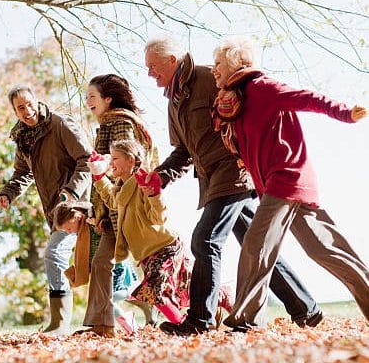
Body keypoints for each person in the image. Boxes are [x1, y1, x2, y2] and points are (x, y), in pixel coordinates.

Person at [143, 37, 322, 336]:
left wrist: (259, 157)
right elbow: (183, 152)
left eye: (152, 66)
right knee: (257, 248)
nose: (149, 74)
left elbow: (252, 108)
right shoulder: (172, 100)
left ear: (172, 60)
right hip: (212, 181)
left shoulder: (209, 79)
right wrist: (160, 176)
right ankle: (305, 309)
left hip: (234, 173)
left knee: (205, 238)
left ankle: (200, 320)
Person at [211, 37, 369, 332]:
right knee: (324, 249)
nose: (214, 69)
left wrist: (345, 113)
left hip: (287, 178)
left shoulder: (263, 88)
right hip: (280, 184)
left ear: (236, 62)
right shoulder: (237, 100)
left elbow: (308, 98)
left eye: (218, 63)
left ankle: (246, 319)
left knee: (256, 245)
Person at [0, 85, 92, 335]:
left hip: (77, 205)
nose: (27, 111)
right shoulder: (22, 139)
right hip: (54, 210)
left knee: (54, 253)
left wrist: (72, 191)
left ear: (37, 100)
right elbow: (22, 173)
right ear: (15, 112)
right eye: (20, 108)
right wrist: (8, 193)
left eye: (29, 104)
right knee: (94, 263)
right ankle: (126, 313)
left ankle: (60, 322)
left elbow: (86, 159)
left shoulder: (60, 124)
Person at [80, 74, 158, 337]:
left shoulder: (121, 124)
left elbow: (126, 162)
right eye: (86, 97)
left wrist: (102, 167)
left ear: (108, 99)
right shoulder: (106, 125)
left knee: (157, 265)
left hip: (131, 209)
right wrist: (100, 212)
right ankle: (101, 325)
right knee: (102, 262)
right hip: (114, 209)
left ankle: (194, 309)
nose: (87, 101)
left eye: (92, 96)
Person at [87, 139, 192, 326]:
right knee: (182, 287)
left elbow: (158, 217)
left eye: (115, 158)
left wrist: (154, 194)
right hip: (146, 254)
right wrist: (99, 176)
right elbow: (112, 200)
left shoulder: (143, 182)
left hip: (165, 246)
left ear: (130, 160)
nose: (111, 163)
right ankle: (221, 296)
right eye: (110, 158)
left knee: (153, 291)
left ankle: (181, 324)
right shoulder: (121, 186)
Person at [52, 201, 140, 335]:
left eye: (69, 228)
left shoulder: (91, 221)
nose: (69, 232)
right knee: (106, 298)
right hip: (105, 268)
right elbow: (89, 253)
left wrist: (96, 222)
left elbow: (105, 242)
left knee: (108, 298)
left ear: (76, 217)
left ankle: (129, 324)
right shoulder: (82, 231)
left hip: (116, 267)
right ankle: (126, 316)